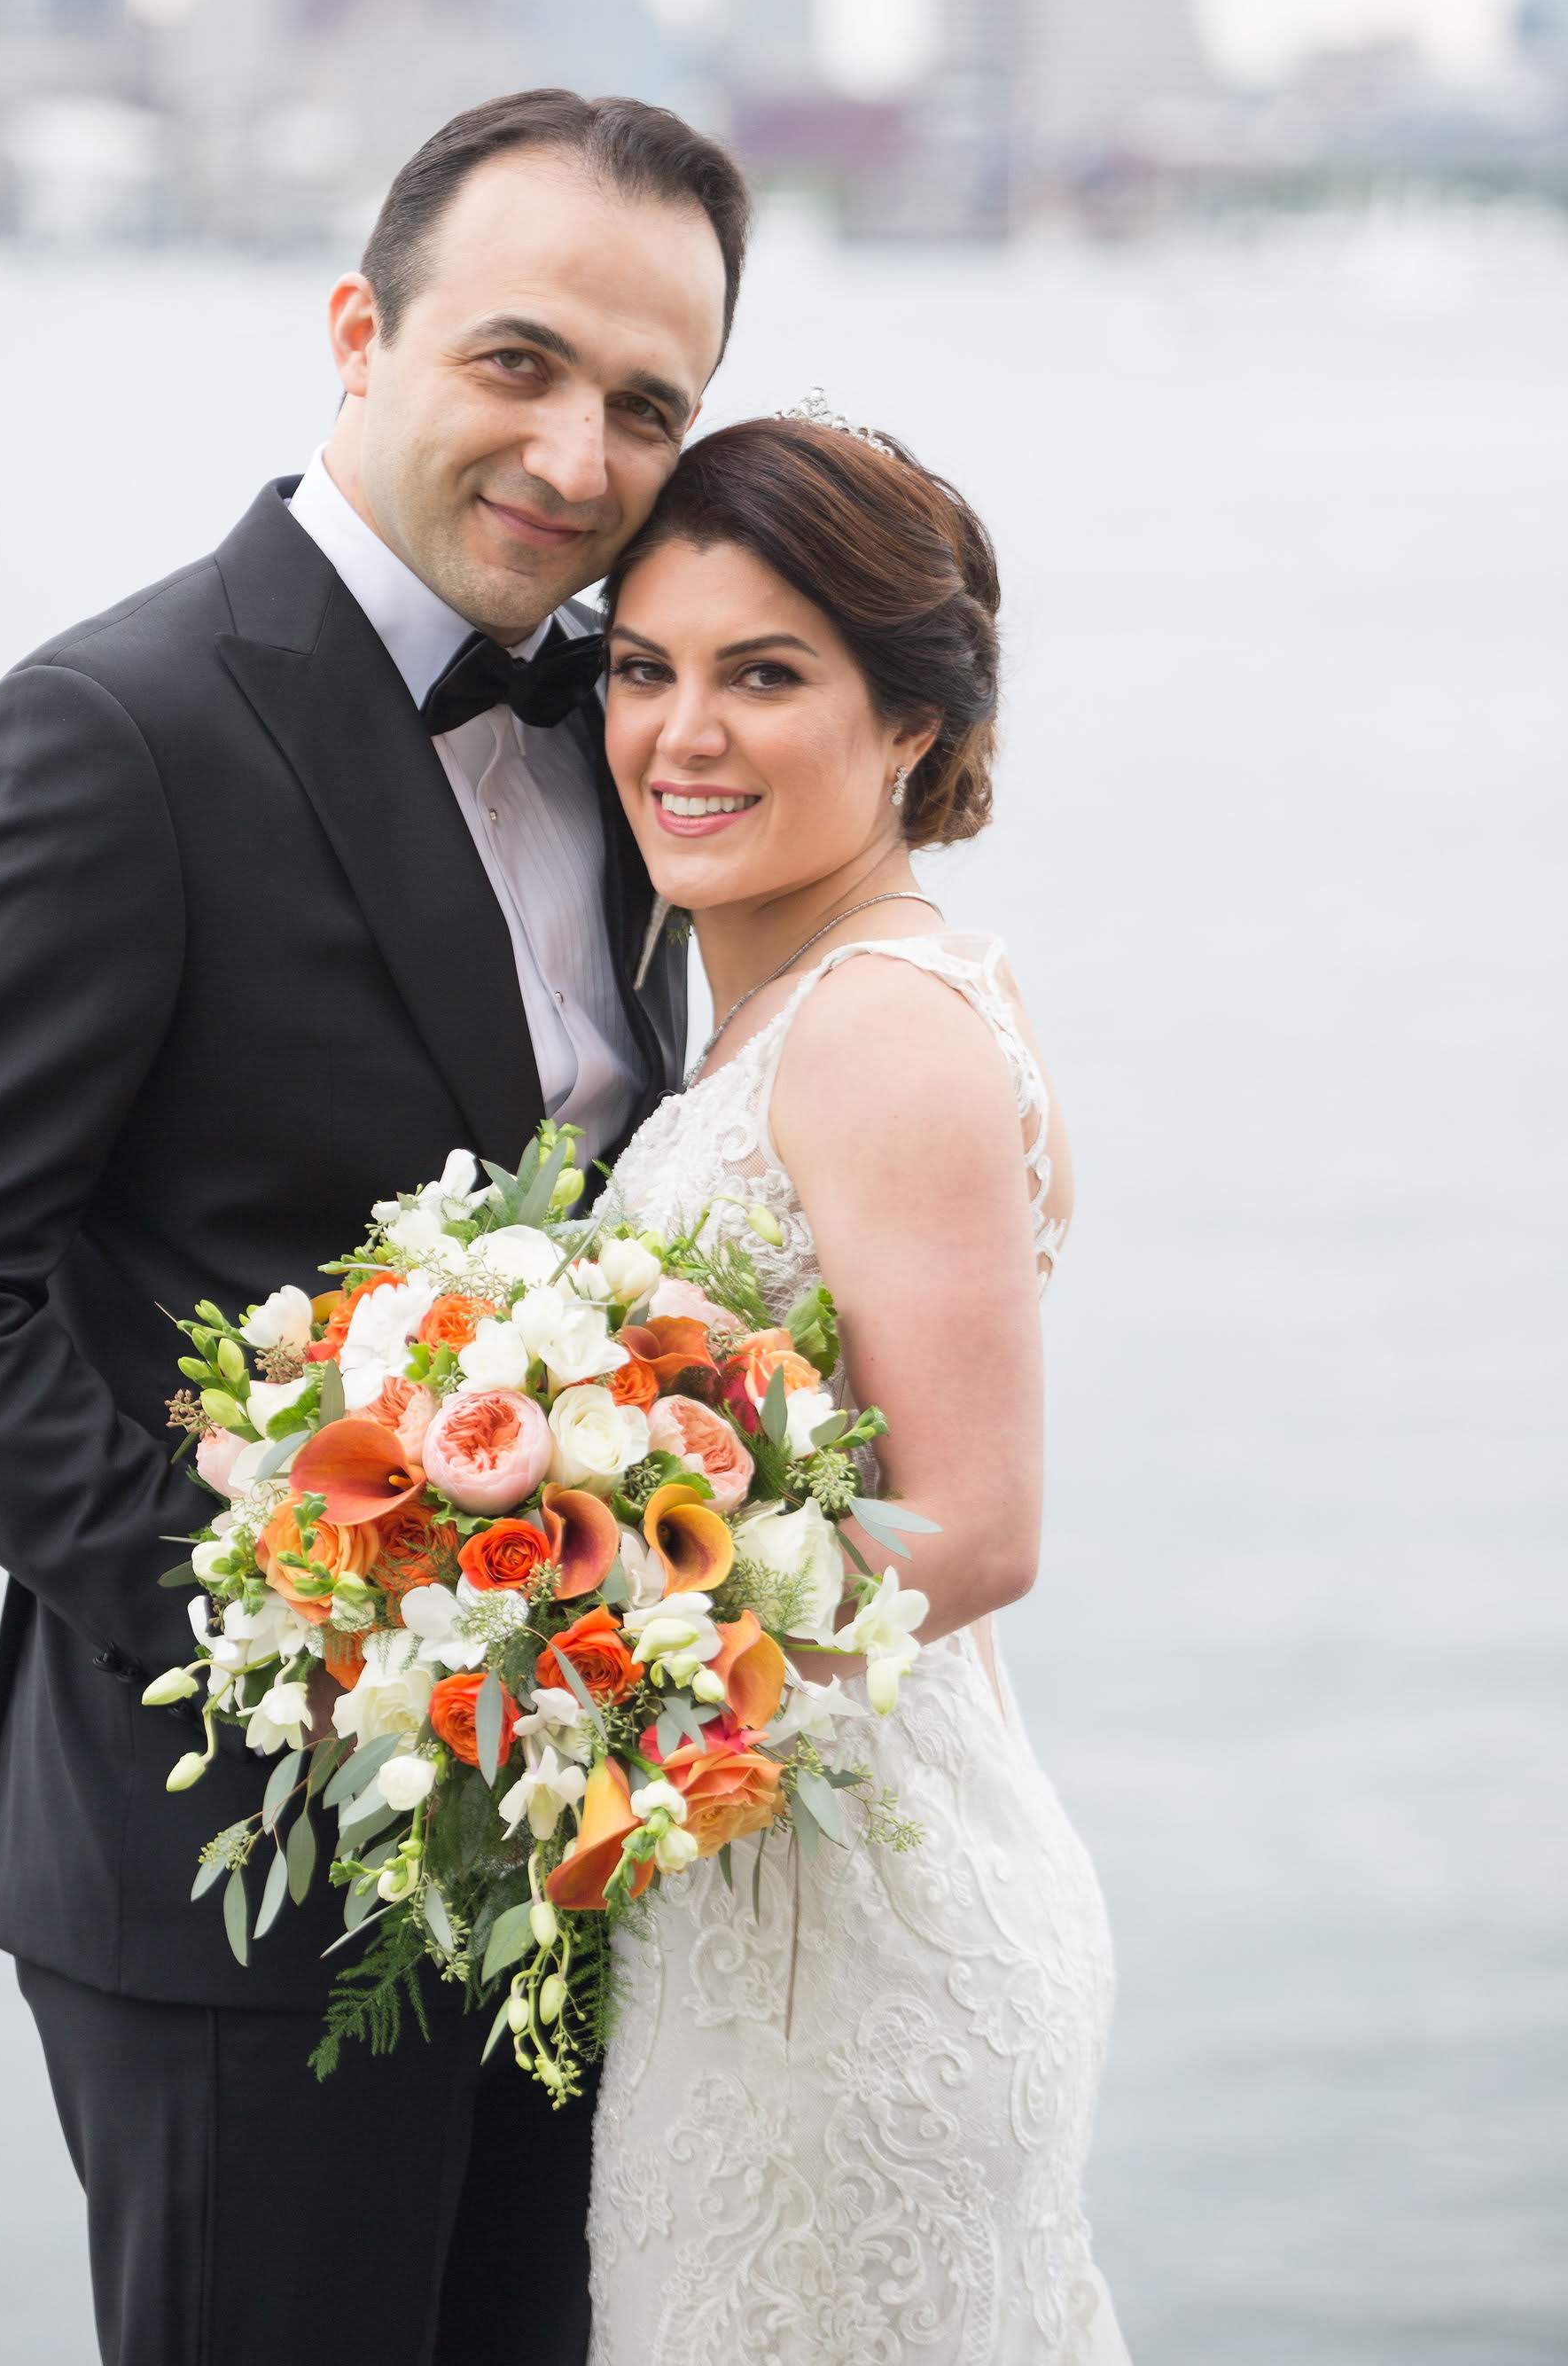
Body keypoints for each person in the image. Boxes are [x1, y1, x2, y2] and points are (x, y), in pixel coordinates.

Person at [0, 89, 744, 2366]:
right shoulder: (109, 733)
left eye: (647, 407)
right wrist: (303, 1633)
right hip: (225, 1861)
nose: (579, 456)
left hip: (560, 1843)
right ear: (358, 332)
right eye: (516, 363)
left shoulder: (636, 722)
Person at [588, 406, 1130, 2364]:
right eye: (644, 670)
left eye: (764, 676)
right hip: (777, 1921)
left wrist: (578, 1631)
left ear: (910, 723)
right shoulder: (793, 1005)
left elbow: (975, 1530)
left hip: (858, 1975)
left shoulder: (881, 1030)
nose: (682, 733)